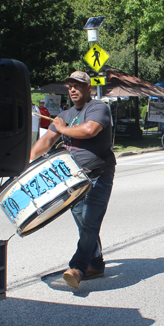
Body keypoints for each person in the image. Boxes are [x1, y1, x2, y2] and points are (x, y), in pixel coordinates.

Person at [30, 71, 116, 288]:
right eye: (70, 86)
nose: (73, 89)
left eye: (78, 85)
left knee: (89, 223)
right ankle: (96, 264)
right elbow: (47, 140)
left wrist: (62, 129)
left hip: (98, 175)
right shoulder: (65, 115)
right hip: (73, 179)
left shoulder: (97, 108)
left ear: (88, 88)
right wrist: (27, 162)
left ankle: (77, 268)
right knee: (82, 222)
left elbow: (90, 130)